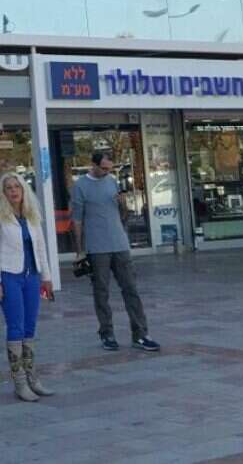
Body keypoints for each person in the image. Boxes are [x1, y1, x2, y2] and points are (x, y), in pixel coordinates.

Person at [71, 151, 161, 353]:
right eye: (103, 168)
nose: (106, 172)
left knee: (131, 288)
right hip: (97, 247)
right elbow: (77, 219)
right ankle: (107, 334)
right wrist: (79, 250)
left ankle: (140, 334)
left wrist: (123, 204)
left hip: (119, 243)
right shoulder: (80, 186)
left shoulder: (112, 181)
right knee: (101, 292)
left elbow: (122, 216)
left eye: (109, 169)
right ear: (93, 165)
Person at [0, 173, 54, 401]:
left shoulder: (31, 214)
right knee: (15, 326)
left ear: (24, 190)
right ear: (3, 192)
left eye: (17, 187)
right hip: (9, 276)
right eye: (9, 188)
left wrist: (47, 277)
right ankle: (20, 382)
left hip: (31, 276)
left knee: (30, 326)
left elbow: (41, 247)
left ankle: (33, 378)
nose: (14, 191)